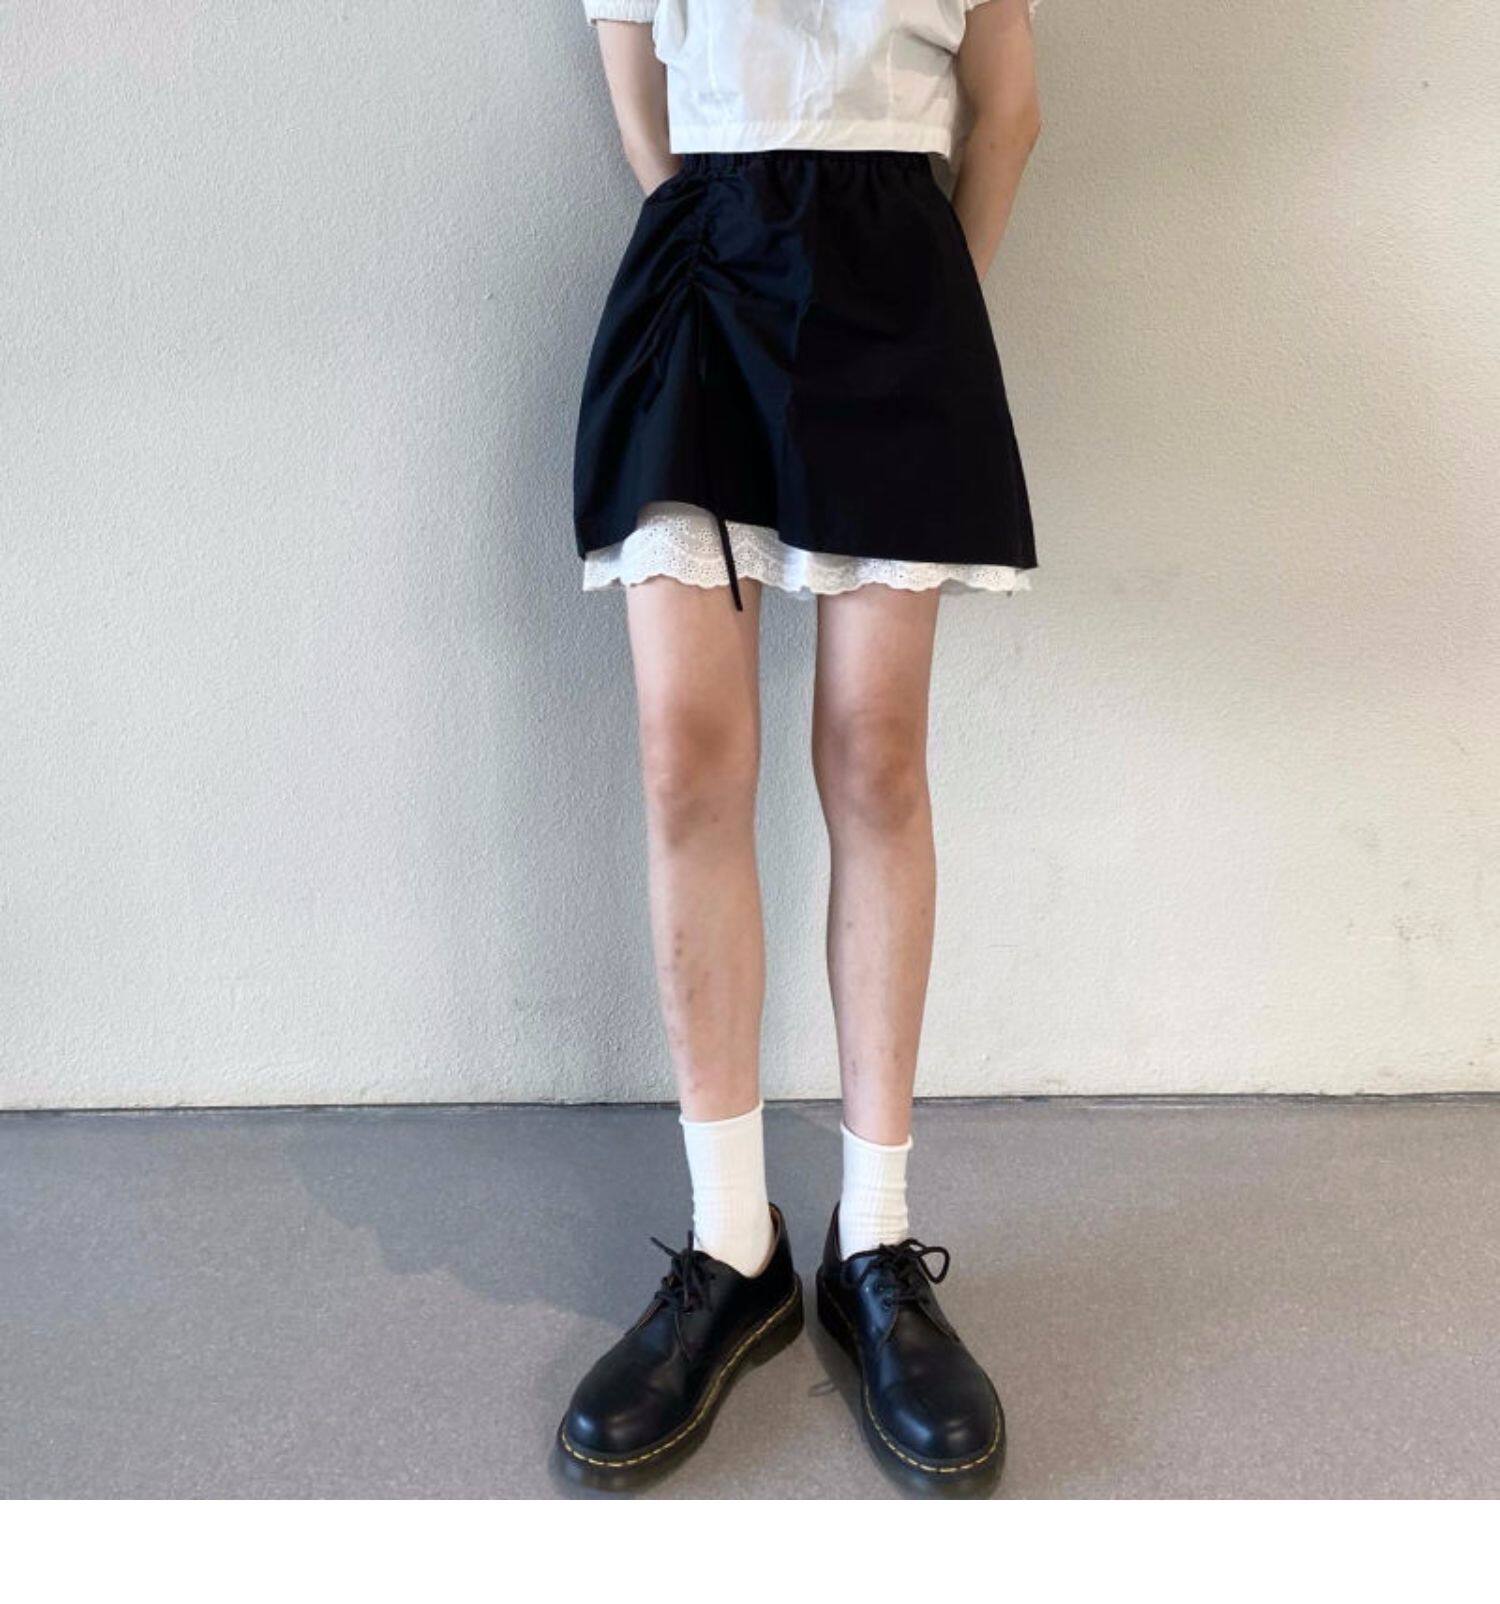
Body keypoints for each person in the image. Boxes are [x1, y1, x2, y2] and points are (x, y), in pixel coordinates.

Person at [559, 0, 1043, 1489]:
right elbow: (646, 113)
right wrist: (737, 232)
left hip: (899, 284)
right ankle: (732, 1244)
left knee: (876, 757)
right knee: (685, 759)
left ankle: (874, 1244)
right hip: (702, 276)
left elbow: (1009, 109)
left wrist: (921, 299)